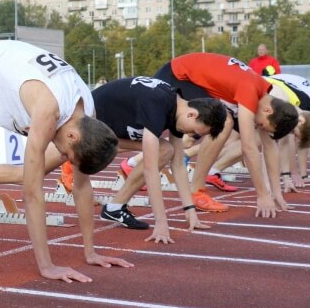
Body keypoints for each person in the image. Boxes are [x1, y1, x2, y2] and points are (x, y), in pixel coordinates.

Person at [0, 40, 129, 282]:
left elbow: (82, 186)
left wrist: (90, 252)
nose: (63, 159)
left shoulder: (88, 115)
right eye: (67, 156)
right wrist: (47, 266)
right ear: (72, 136)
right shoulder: (49, 111)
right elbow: (32, 193)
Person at [152, 53, 299, 219]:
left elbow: (270, 145)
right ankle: (196, 191)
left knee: (222, 122)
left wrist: (275, 192)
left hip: (193, 77)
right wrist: (263, 195)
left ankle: (134, 163)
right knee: (224, 122)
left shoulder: (263, 92)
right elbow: (248, 147)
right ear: (268, 110)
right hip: (176, 76)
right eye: (262, 125)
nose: (259, 126)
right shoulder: (250, 90)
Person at [92, 76, 227, 244]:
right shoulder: (157, 104)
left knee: (166, 150)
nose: (191, 135)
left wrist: (190, 210)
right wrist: (161, 222)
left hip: (110, 125)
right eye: (193, 131)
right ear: (192, 114)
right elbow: (150, 169)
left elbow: (178, 164)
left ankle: (115, 207)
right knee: (160, 150)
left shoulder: (177, 109)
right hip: (89, 123)